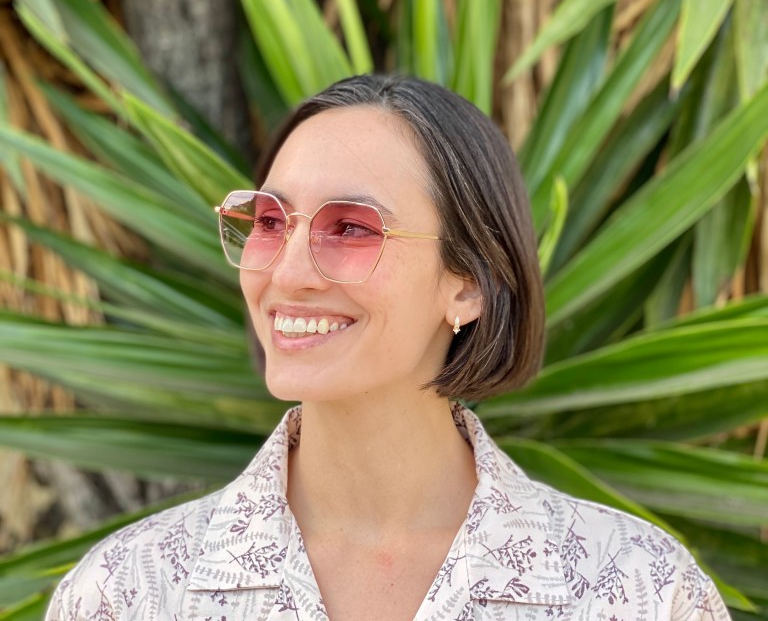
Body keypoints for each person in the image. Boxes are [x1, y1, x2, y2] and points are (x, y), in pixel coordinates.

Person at [46, 74, 731, 621]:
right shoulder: (128, 593)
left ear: (469, 283)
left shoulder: (635, 591)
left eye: (350, 229)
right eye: (270, 222)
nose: (287, 273)